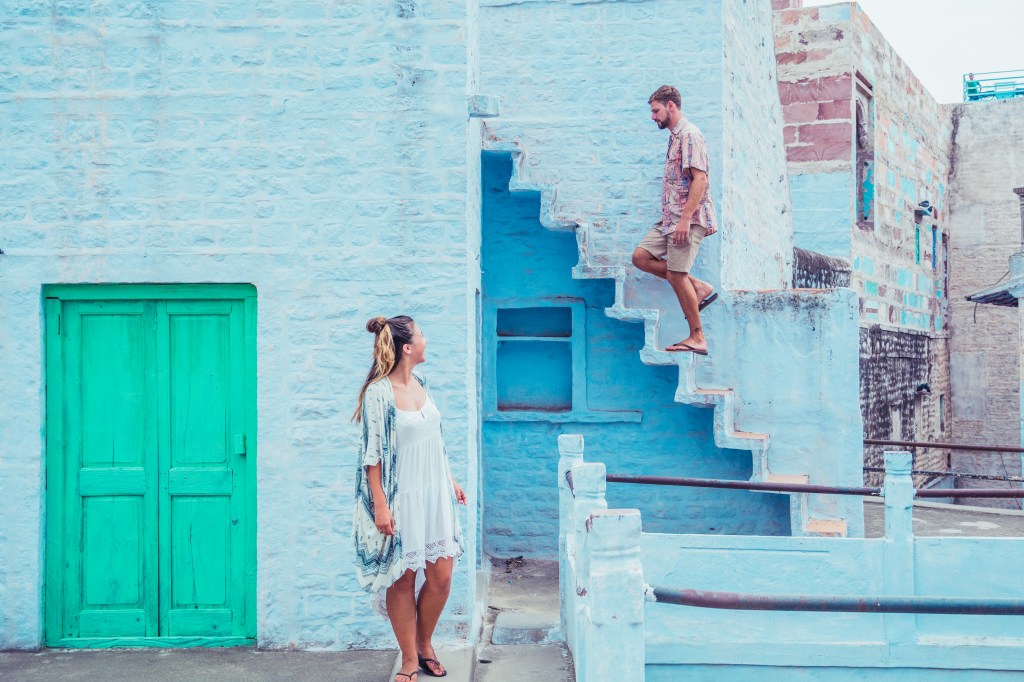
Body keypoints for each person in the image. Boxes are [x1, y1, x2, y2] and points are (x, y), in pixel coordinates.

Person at [353, 315, 467, 681]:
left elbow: (434, 438)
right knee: (403, 579)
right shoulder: (378, 393)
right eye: (421, 336)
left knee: (442, 576)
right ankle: (408, 659)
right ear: (407, 348)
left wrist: (449, 480)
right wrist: (381, 505)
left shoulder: (422, 382)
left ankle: (425, 642)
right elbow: (372, 455)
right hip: (402, 497)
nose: (426, 341)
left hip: (434, 493)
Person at [632, 85, 719, 355]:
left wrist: (684, 220)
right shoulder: (675, 137)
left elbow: (700, 180)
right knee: (640, 257)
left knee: (676, 275)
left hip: (686, 220)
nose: (652, 117)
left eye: (656, 110)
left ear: (671, 106)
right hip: (669, 219)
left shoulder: (690, 135)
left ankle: (697, 336)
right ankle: (700, 287)